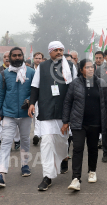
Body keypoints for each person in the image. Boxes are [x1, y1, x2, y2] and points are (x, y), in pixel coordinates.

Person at [29, 41, 74, 191]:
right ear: (50, 52)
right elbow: (35, 86)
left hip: (64, 111)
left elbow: (74, 88)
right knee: (47, 141)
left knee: (62, 141)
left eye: (61, 49)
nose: (59, 52)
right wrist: (31, 103)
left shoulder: (70, 66)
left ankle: (63, 157)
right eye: (56, 50)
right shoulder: (42, 67)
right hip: (46, 109)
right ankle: (47, 176)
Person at [0, 47, 34, 187]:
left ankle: (25, 165)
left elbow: (36, 91)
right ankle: (1, 174)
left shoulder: (31, 72)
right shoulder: (4, 74)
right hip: (8, 114)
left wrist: (29, 100)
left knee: (25, 140)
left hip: (26, 115)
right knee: (6, 142)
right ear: (9, 58)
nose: (16, 58)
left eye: (19, 55)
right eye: (13, 55)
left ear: (23, 56)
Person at [64, 59, 107, 191]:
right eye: (87, 67)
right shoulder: (75, 84)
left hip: (95, 122)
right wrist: (65, 121)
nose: (90, 69)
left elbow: (106, 103)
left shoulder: (101, 83)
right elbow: (68, 102)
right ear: (81, 70)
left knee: (93, 148)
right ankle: (76, 178)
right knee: (78, 148)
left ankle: (92, 171)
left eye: (92, 67)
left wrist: (106, 119)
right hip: (79, 122)